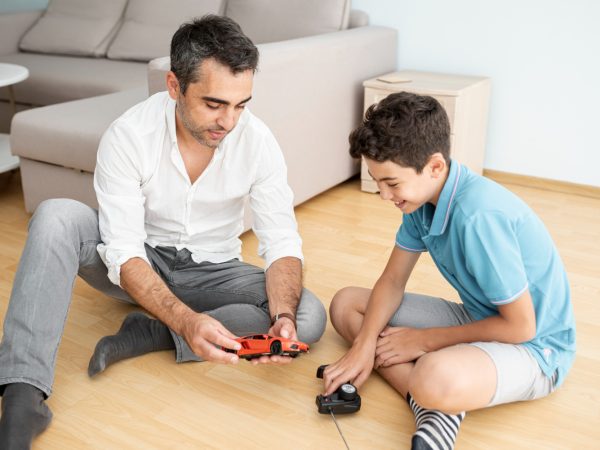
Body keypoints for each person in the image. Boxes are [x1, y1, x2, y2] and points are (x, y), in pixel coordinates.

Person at [0, 15, 326, 449]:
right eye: (214, 104)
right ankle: (23, 395)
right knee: (56, 214)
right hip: (140, 262)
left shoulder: (257, 141)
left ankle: (154, 332)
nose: (229, 121)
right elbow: (125, 253)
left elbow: (282, 241)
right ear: (174, 86)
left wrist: (282, 318)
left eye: (240, 104)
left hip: (213, 271)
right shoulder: (129, 135)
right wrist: (186, 317)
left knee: (308, 315)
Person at [322, 92, 575, 450]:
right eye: (378, 182)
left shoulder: (478, 218)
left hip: (534, 349)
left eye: (391, 183)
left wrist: (422, 341)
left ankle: (433, 399)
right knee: (347, 304)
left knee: (433, 375)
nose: (383, 195)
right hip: (479, 318)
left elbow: (521, 326)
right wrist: (362, 348)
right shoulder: (419, 202)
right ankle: (433, 410)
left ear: (435, 166)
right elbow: (392, 281)